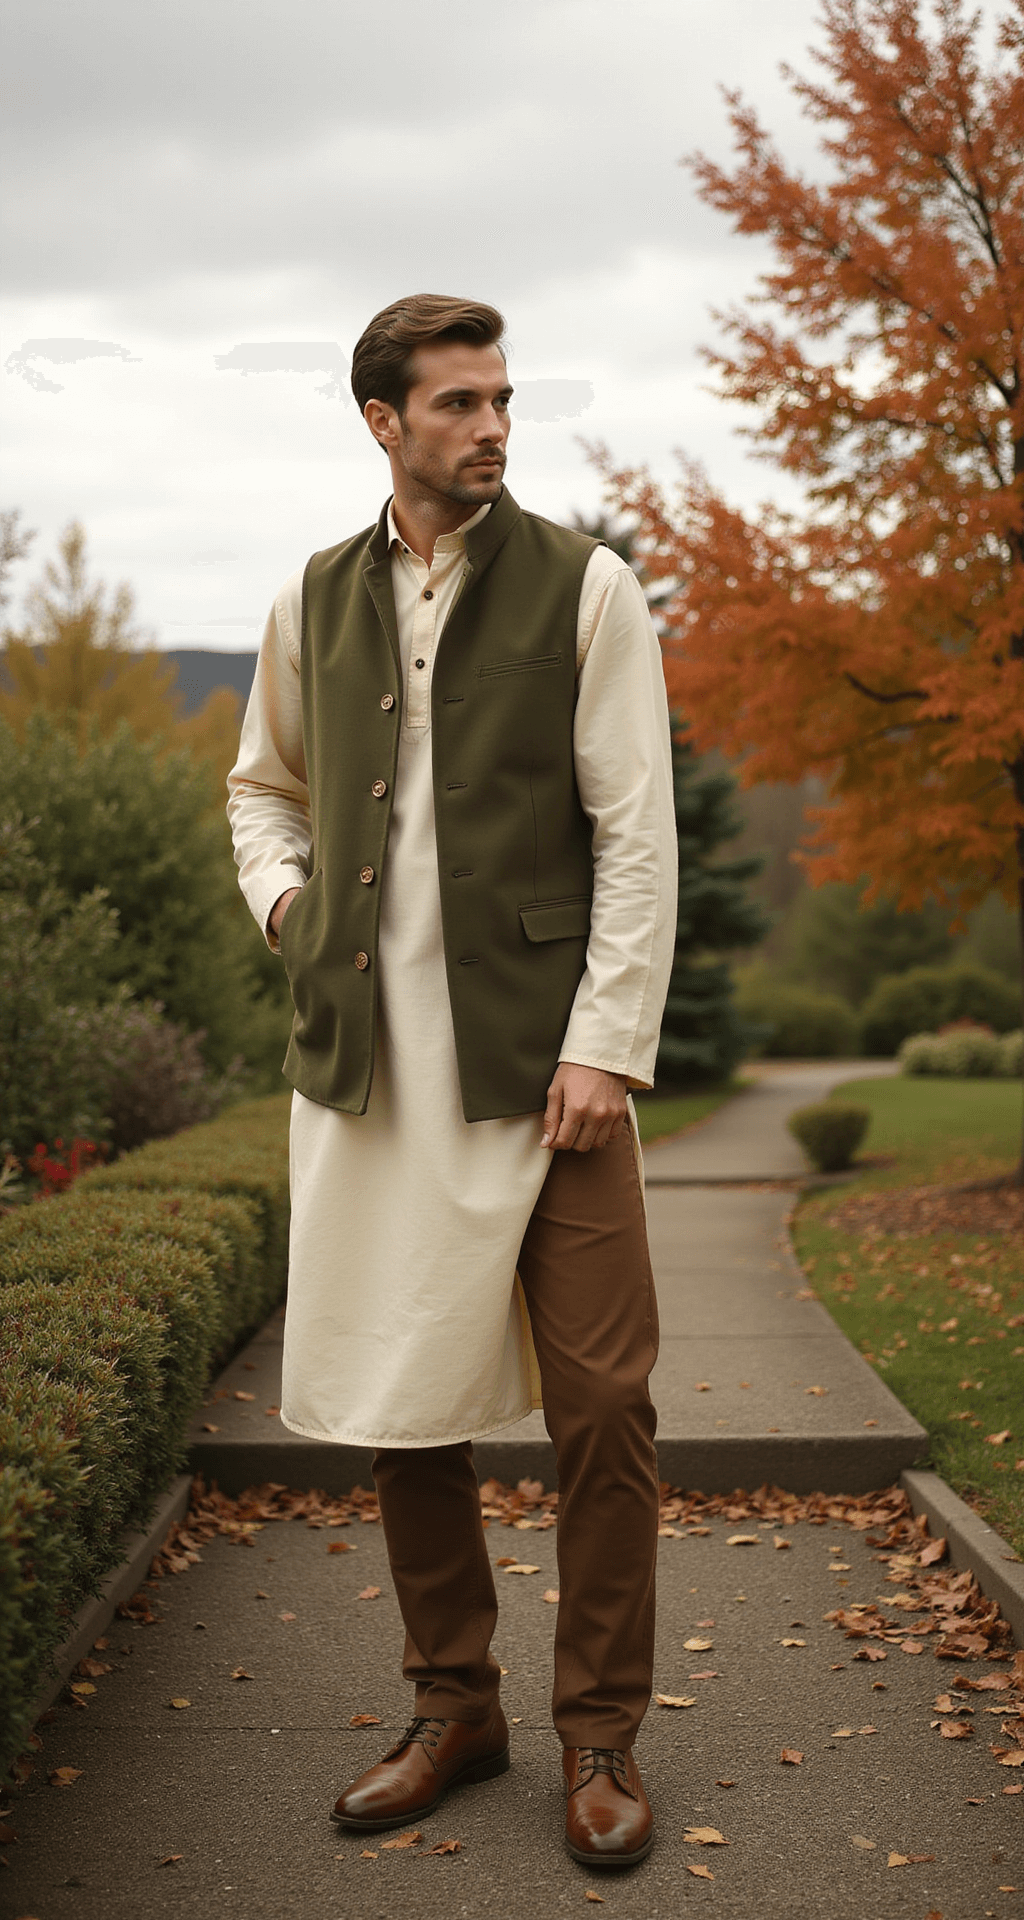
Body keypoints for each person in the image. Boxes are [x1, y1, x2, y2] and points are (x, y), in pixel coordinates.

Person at [227, 293, 676, 1869]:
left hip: (555, 1074)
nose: (491, 424)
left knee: (607, 1399)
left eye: (503, 397)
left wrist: (608, 1042)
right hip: (375, 1070)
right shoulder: (310, 598)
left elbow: (636, 831)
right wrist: (285, 903)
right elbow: (261, 787)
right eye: (458, 403)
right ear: (382, 423)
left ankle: (600, 1733)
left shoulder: (589, 589)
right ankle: (454, 1706)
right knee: (404, 1403)